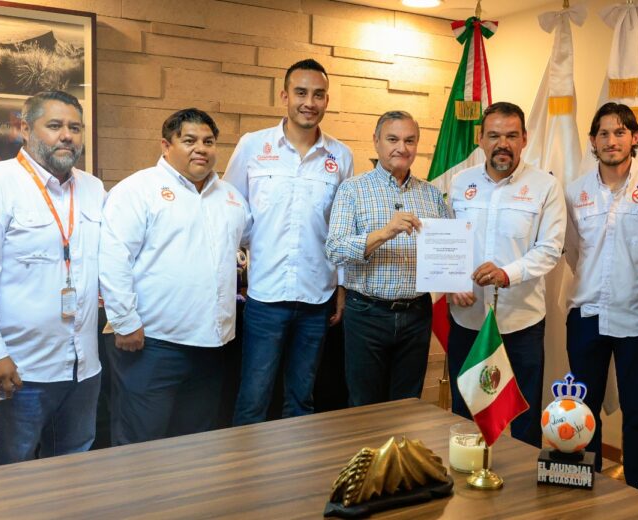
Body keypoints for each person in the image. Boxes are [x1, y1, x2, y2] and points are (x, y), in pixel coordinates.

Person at [0, 90, 104, 466]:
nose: (66, 135)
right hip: (19, 368)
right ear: (24, 129)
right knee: (14, 474)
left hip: (83, 366)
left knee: (75, 468)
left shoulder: (93, 188)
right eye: (54, 125)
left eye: (75, 128)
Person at [99, 108, 251, 445]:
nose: (201, 149)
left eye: (208, 142)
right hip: (151, 343)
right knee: (140, 442)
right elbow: (113, 258)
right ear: (166, 145)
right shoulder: (138, 189)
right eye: (190, 140)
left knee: (196, 443)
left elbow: (250, 243)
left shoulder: (230, 197)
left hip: (211, 345)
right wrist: (124, 321)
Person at [224, 58, 354, 425]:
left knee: (301, 401)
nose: (309, 102)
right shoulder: (253, 146)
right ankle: (246, 462)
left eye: (318, 94)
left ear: (327, 100)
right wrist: (241, 258)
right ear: (284, 96)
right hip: (265, 295)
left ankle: (294, 463)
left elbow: (343, 228)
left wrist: (342, 286)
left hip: (317, 298)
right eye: (301, 92)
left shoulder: (341, 156)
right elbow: (231, 208)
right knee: (253, 398)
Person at [564, 102, 638, 492]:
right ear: (593, 141)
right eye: (603, 133)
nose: (611, 141)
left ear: (634, 138)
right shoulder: (575, 191)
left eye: (620, 132)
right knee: (584, 408)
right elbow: (573, 251)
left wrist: (635, 283)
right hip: (586, 314)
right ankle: (587, 483)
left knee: (636, 410)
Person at [447, 101, 566, 448]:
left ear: (524, 139)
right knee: (465, 412)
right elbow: (447, 243)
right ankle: (467, 474)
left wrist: (506, 274)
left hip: (521, 322)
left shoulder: (545, 186)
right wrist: (451, 283)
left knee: (523, 415)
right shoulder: (460, 183)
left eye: (512, 135)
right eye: (494, 135)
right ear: (480, 138)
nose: (503, 144)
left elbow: (551, 248)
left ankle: (521, 480)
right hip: (468, 319)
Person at [325, 111, 449, 405]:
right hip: (367, 313)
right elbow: (335, 248)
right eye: (393, 139)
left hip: (416, 314)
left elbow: (446, 249)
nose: (401, 148)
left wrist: (457, 281)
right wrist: (384, 233)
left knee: (408, 406)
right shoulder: (352, 189)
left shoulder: (432, 195)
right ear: (376, 141)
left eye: (410, 140)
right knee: (364, 406)